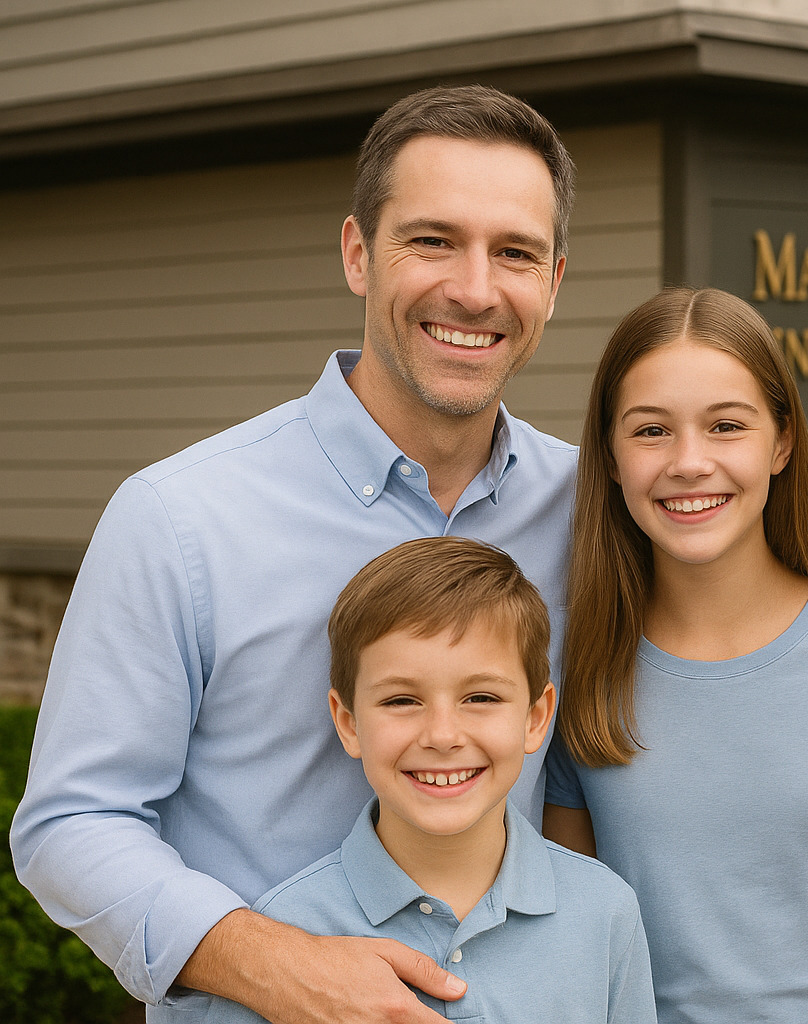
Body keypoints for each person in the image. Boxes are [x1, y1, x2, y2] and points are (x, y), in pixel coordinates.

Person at [11, 85, 577, 1024]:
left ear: (554, 284)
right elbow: (71, 825)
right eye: (432, 240)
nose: (475, 289)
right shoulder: (180, 517)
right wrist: (281, 969)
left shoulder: (590, 510)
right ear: (359, 254)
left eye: (513, 252)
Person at [541, 286, 808, 1024]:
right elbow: (572, 943)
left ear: (781, 442)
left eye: (726, 426)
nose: (689, 462)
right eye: (651, 431)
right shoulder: (577, 662)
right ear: (609, 456)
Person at [198, 536, 656, 1024]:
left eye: (480, 697)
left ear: (536, 717)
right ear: (349, 722)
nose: (442, 735)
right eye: (401, 700)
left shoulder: (604, 912)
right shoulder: (287, 934)